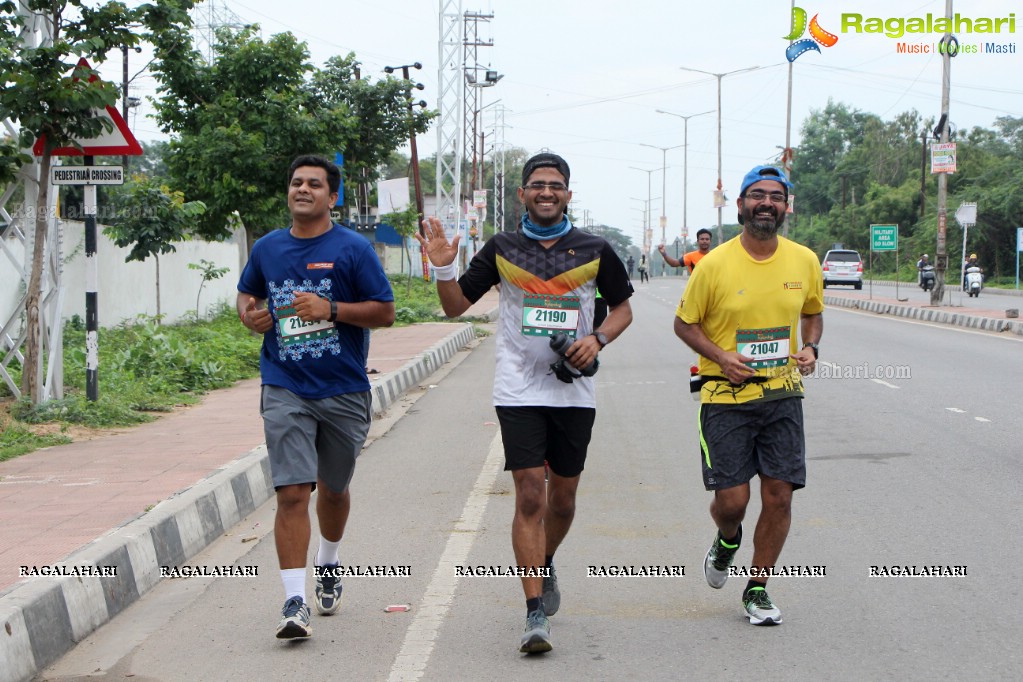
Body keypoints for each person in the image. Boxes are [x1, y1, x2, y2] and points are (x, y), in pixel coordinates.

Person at [416, 152, 633, 654]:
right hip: (517, 389)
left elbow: (622, 309)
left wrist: (597, 340)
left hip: (574, 391)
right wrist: (445, 265)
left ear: (568, 194)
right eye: (537, 185)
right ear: (522, 194)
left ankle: (546, 558)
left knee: (563, 499)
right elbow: (454, 307)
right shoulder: (502, 248)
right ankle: (535, 612)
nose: (546, 192)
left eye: (555, 185)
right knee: (530, 496)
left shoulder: (594, 248)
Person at [237, 154, 396, 639]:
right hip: (285, 384)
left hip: (343, 389)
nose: (302, 189)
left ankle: (328, 560)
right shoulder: (267, 248)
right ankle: (294, 601)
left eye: (314, 184)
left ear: (332, 195)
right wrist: (251, 315)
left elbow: (385, 312)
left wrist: (332, 308)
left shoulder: (353, 249)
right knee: (291, 491)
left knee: (333, 488)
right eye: (296, 183)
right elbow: (247, 297)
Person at [674, 165, 823, 626]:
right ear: (740, 205)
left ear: (785, 207)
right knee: (733, 503)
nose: (766, 203)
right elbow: (684, 324)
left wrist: (812, 346)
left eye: (775, 196)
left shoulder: (804, 260)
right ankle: (727, 540)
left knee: (779, 496)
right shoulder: (714, 264)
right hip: (724, 397)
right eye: (757, 195)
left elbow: (813, 313)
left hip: (783, 395)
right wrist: (722, 354)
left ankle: (757, 588)